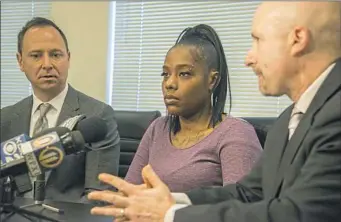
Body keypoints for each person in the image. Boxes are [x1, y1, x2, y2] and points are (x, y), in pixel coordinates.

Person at [87, 1, 341, 222]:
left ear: (297, 39)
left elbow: (302, 215)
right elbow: (248, 193)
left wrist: (168, 215)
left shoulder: (335, 114)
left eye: (257, 40)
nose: (248, 58)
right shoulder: (289, 118)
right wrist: (167, 201)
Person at [124, 24, 262, 192]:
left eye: (184, 74)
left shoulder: (236, 134)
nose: (170, 83)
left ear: (212, 80)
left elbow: (240, 211)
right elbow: (128, 194)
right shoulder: (158, 128)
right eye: (165, 74)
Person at [0, 17, 120, 203]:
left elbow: (98, 195)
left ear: (68, 58)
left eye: (56, 55)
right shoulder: (5, 118)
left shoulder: (98, 116)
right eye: (36, 55)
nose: (47, 64)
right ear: (20, 61)